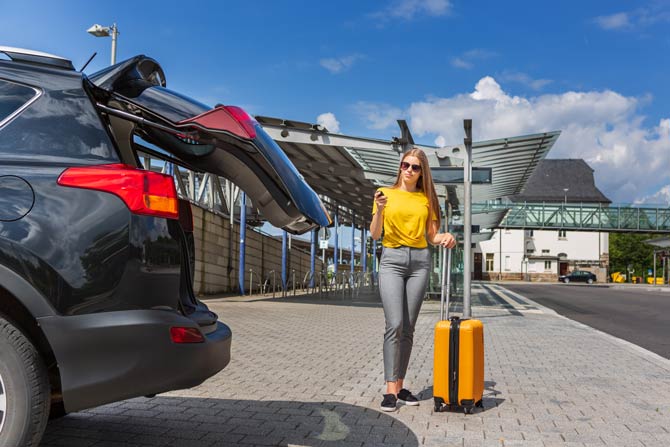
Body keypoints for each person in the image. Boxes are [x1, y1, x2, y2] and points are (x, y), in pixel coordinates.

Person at [370, 147, 456, 412]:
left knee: (408, 328)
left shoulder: (427, 199)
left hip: (420, 262)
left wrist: (445, 237)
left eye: (415, 167)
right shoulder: (384, 194)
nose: (408, 170)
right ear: (400, 167)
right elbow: (374, 234)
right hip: (392, 260)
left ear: (422, 172)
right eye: (405, 165)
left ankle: (400, 386)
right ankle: (389, 390)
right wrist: (380, 210)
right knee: (394, 324)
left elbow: (432, 236)